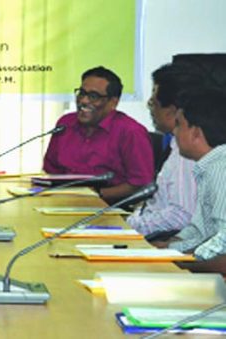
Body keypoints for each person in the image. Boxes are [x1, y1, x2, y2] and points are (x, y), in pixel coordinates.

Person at [43, 66, 154, 204]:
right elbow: (51, 168)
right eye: (81, 93)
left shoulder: (131, 132)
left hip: (110, 207)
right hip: (63, 202)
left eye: (93, 96)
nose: (83, 101)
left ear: (113, 102)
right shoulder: (66, 123)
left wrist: (95, 195)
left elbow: (141, 183)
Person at [152, 87, 226, 272]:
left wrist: (183, 262)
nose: (174, 132)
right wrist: (167, 248)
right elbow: (200, 231)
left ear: (195, 133)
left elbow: (222, 246)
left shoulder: (219, 169)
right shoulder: (208, 167)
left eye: (178, 124)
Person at [126, 64, 203, 237]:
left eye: (154, 100)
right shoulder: (175, 145)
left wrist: (132, 225)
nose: (149, 105)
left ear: (173, 111)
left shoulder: (188, 154)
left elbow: (182, 215)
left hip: (161, 241)